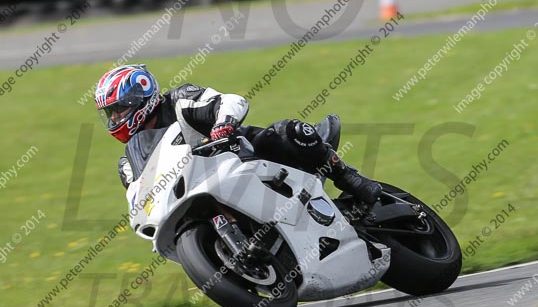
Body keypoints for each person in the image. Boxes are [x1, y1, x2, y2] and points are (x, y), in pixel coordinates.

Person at [94, 64, 381, 205]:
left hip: (246, 158)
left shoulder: (180, 100)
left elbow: (231, 101)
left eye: (119, 109)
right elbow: (138, 196)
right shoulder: (130, 159)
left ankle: (349, 178)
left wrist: (223, 125)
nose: (116, 118)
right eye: (111, 114)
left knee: (288, 130)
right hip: (204, 193)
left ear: (139, 97)